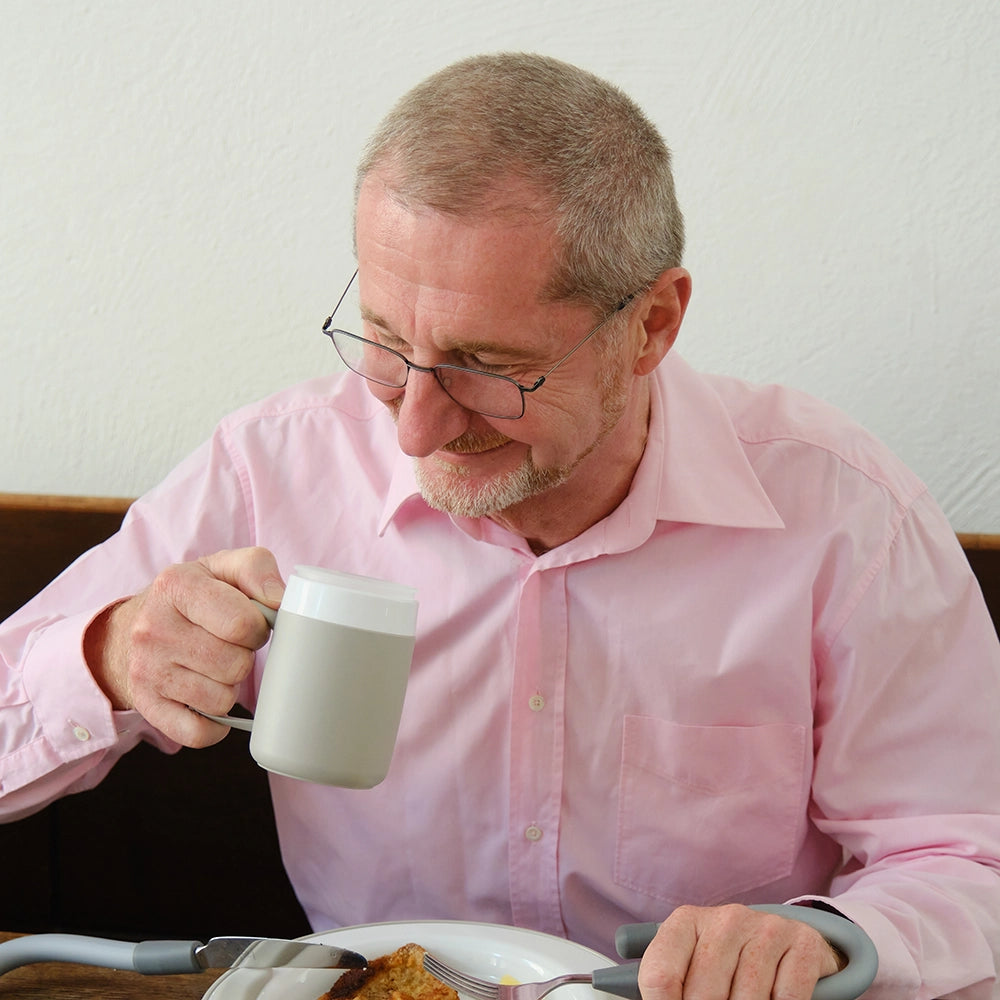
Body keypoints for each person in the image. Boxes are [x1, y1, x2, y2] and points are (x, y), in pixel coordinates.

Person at [1, 52, 998, 999]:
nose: (414, 425)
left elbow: (968, 851)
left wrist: (825, 935)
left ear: (651, 324)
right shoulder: (276, 467)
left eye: (486, 365)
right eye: (386, 344)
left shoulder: (843, 516)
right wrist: (107, 656)